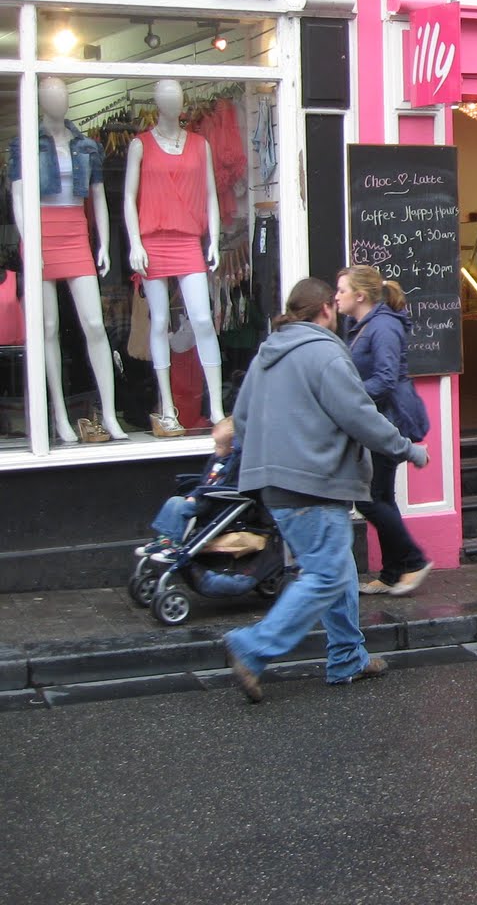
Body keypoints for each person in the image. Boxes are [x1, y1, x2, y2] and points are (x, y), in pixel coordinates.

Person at [223, 277, 429, 704]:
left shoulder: (267, 353)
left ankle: (347, 656)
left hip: (275, 486)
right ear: (326, 311)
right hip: (314, 484)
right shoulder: (325, 353)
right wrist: (407, 449)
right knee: (326, 574)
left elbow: (241, 418)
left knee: (339, 569)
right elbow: (359, 416)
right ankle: (254, 646)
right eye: (333, 302)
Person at [7, 75, 128, 444]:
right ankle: (59, 415)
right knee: (48, 328)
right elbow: (18, 196)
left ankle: (110, 414)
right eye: (51, 96)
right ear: (41, 101)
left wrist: (104, 243)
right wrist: (31, 242)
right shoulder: (26, 144)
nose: (59, 101)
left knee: (94, 324)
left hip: (75, 232)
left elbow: (98, 197)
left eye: (63, 95)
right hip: (41, 231)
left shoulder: (86, 145)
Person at [124, 78, 226, 435]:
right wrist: (135, 243)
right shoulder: (140, 145)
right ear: (157, 103)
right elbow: (128, 197)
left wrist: (214, 239)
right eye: (167, 98)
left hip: (188, 240)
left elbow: (211, 194)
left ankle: (216, 407)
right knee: (159, 322)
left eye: (178, 98)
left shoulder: (200, 145)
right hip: (153, 241)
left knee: (202, 319)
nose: (174, 104)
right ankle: (168, 408)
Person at [335, 264, 433, 597]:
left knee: (370, 499)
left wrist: (346, 396)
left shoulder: (383, 327)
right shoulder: (361, 325)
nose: (336, 297)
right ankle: (392, 573)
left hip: (391, 419)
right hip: (377, 418)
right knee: (381, 496)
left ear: (360, 295)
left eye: (342, 290)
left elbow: (386, 379)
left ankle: (414, 560)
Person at [135, 415, 239, 556]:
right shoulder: (216, 459)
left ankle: (174, 543)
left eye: (219, 446)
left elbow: (224, 484)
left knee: (180, 506)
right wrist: (193, 495)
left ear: (233, 447)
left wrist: (196, 496)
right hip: (204, 496)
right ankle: (165, 539)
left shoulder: (235, 463)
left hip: (215, 502)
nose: (215, 449)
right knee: (174, 501)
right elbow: (204, 481)